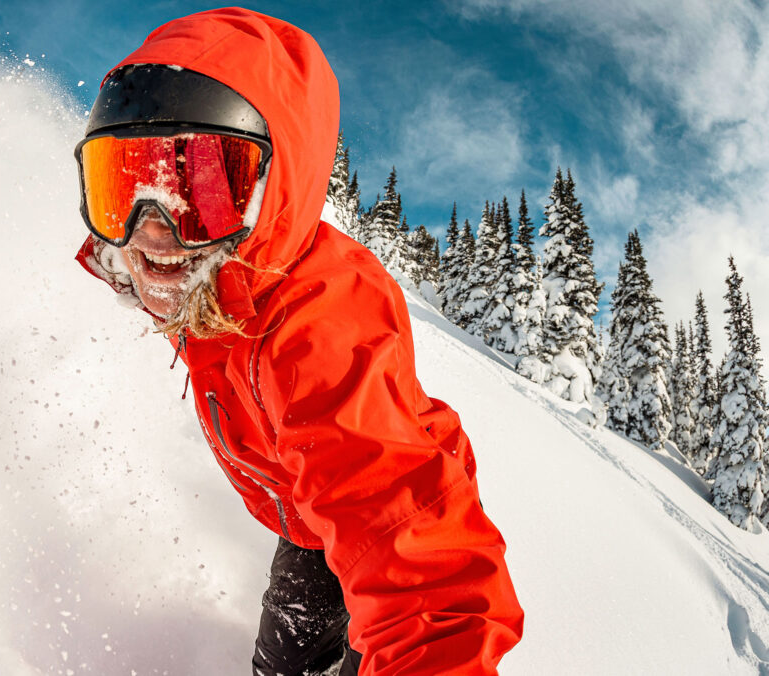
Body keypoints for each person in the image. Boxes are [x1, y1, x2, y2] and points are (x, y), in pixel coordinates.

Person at [74, 8, 524, 675]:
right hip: (310, 530)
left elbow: (427, 585)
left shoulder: (315, 328)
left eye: (200, 183)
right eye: (122, 184)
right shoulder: (215, 278)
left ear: (268, 189)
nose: (153, 226)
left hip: (385, 526)